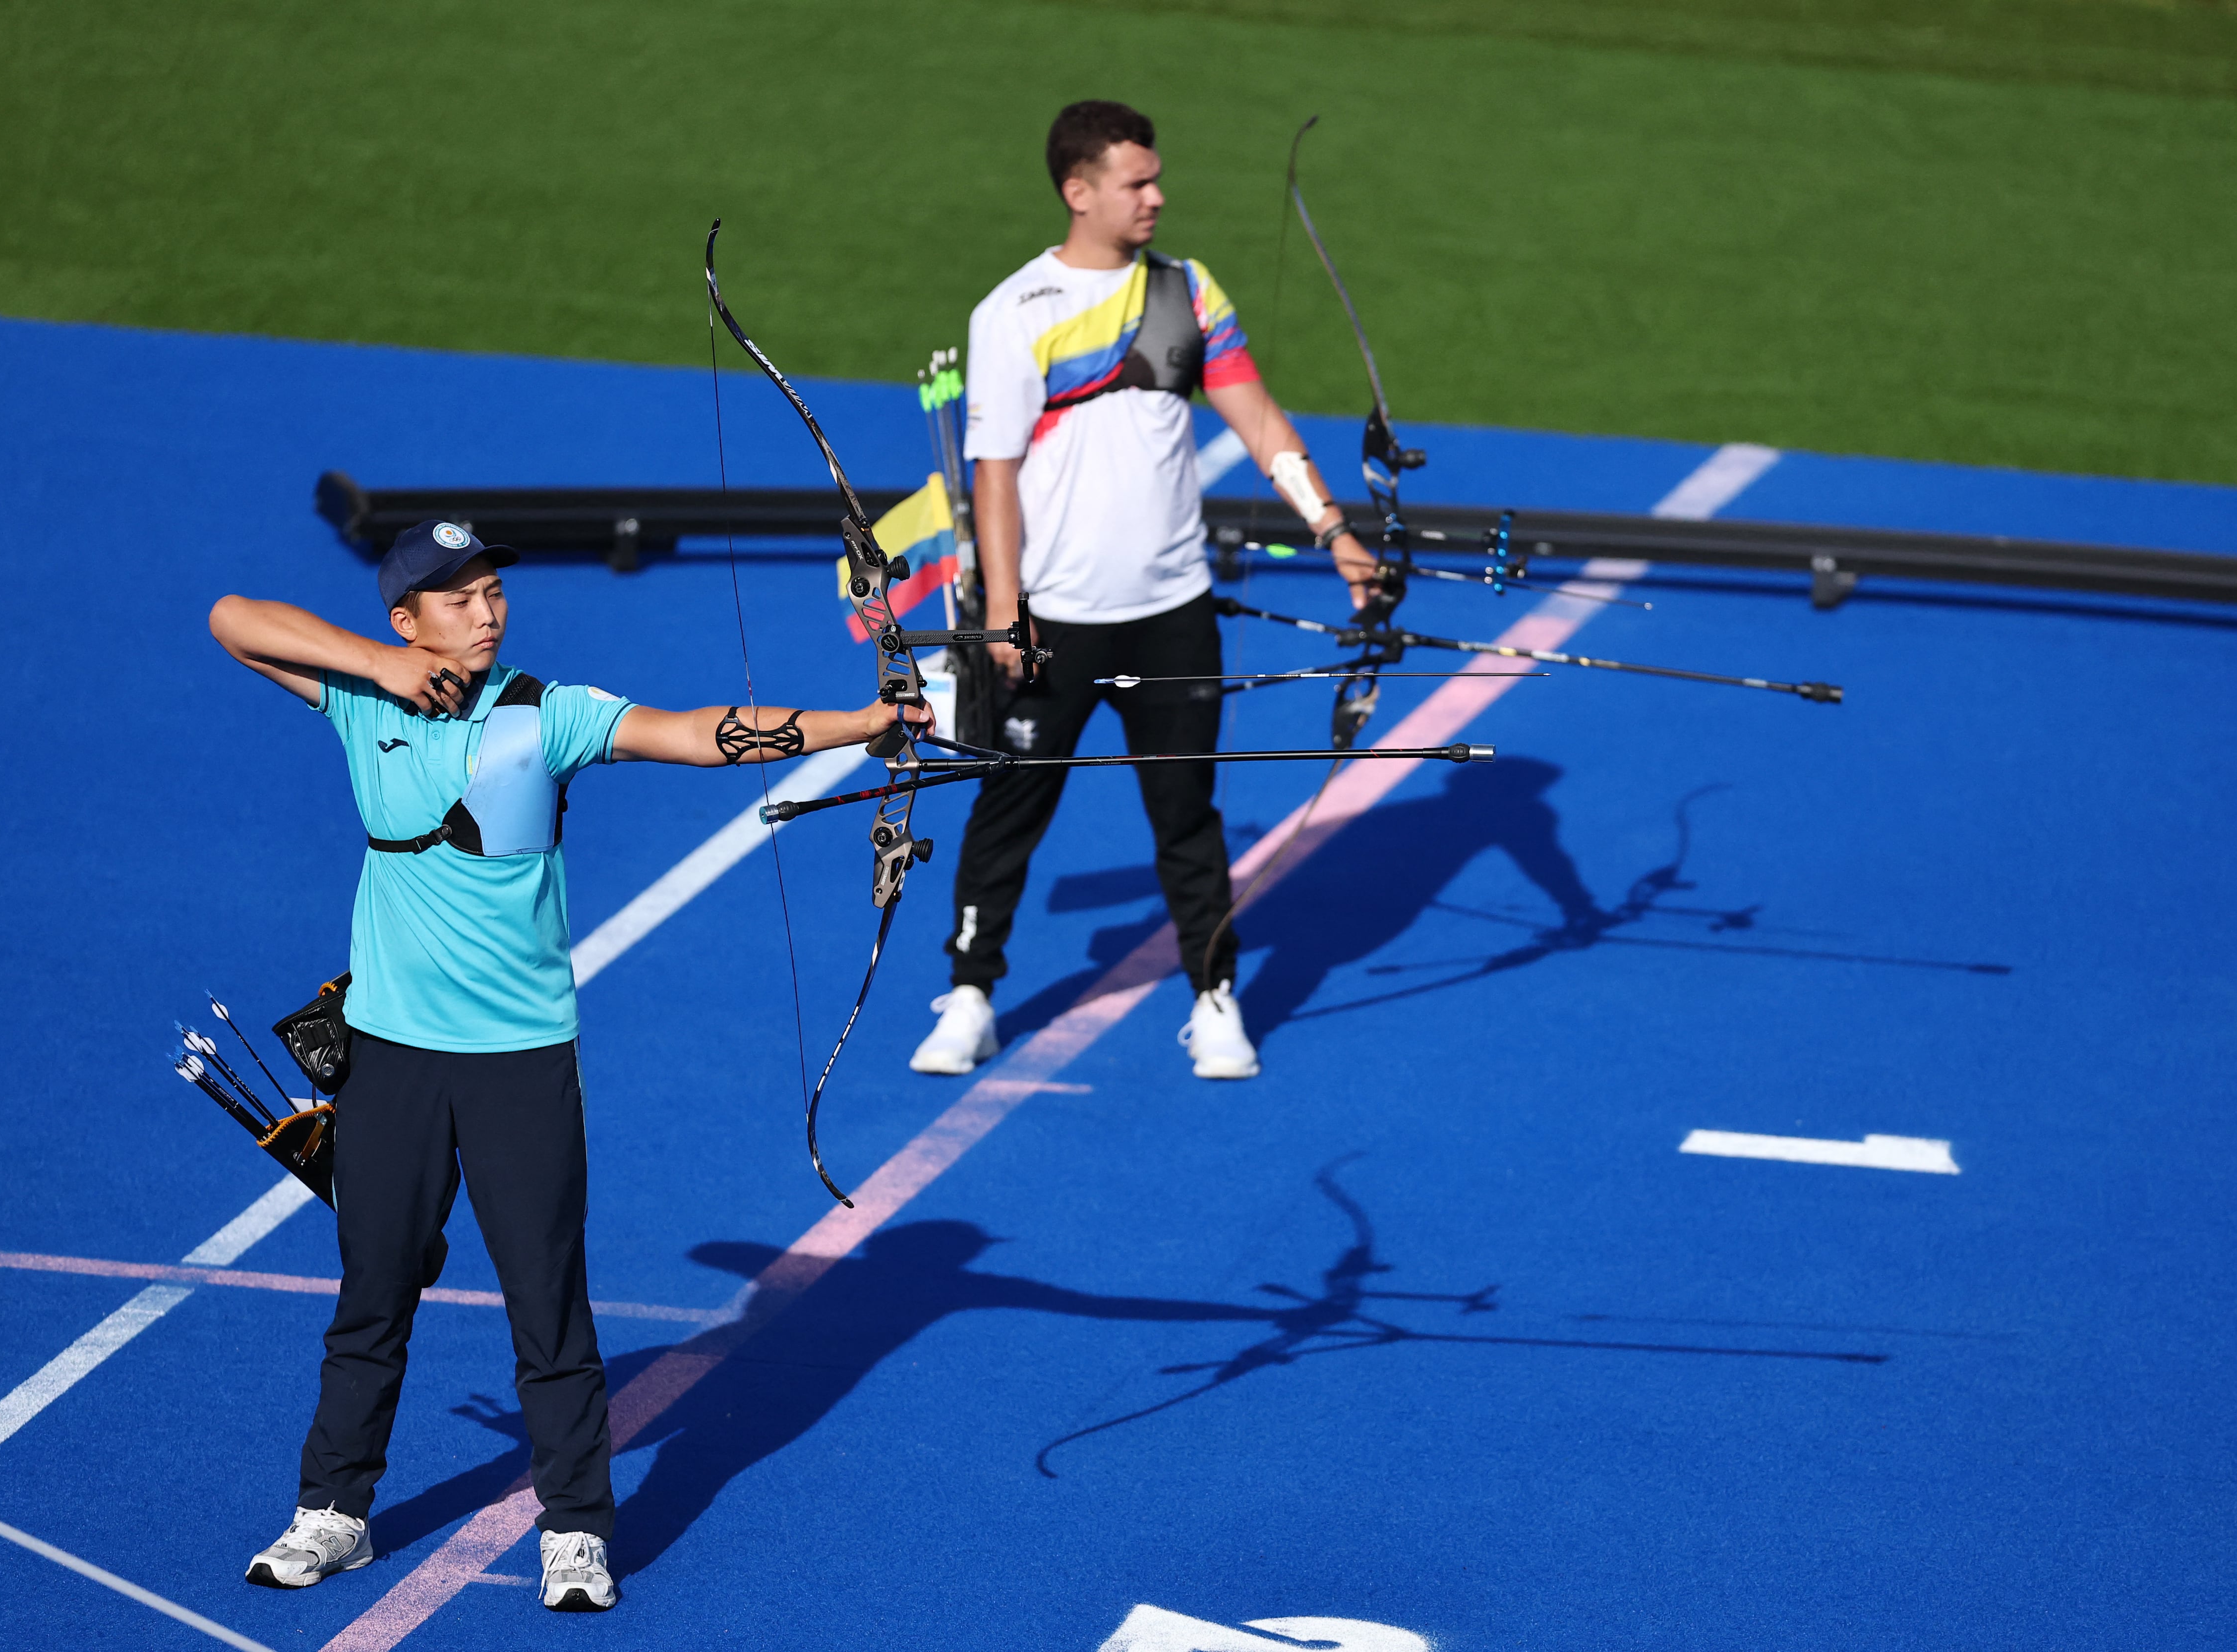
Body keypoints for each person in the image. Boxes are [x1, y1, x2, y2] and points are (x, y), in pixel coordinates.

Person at [208, 519, 922, 1612]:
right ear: (406, 619)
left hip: (517, 1063)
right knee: (373, 1291)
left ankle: (577, 1525)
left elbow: (693, 733)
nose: (488, 610)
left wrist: (858, 724)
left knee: (547, 1303)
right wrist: (381, 665)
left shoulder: (550, 713)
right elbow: (232, 620)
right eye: (459, 598)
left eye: (494, 591)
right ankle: (334, 1511)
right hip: (393, 1061)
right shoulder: (360, 701)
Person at [911, 99, 1377, 1082]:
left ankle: (1213, 998)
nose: (1158, 196)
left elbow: (1253, 413)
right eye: (1137, 182)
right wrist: (1004, 609)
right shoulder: (1013, 313)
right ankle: (971, 993)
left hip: (1172, 613)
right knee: (1012, 805)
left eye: (1156, 178)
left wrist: (1332, 528)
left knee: (1186, 812)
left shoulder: (1189, 291)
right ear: (1079, 192)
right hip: (1055, 619)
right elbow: (993, 471)